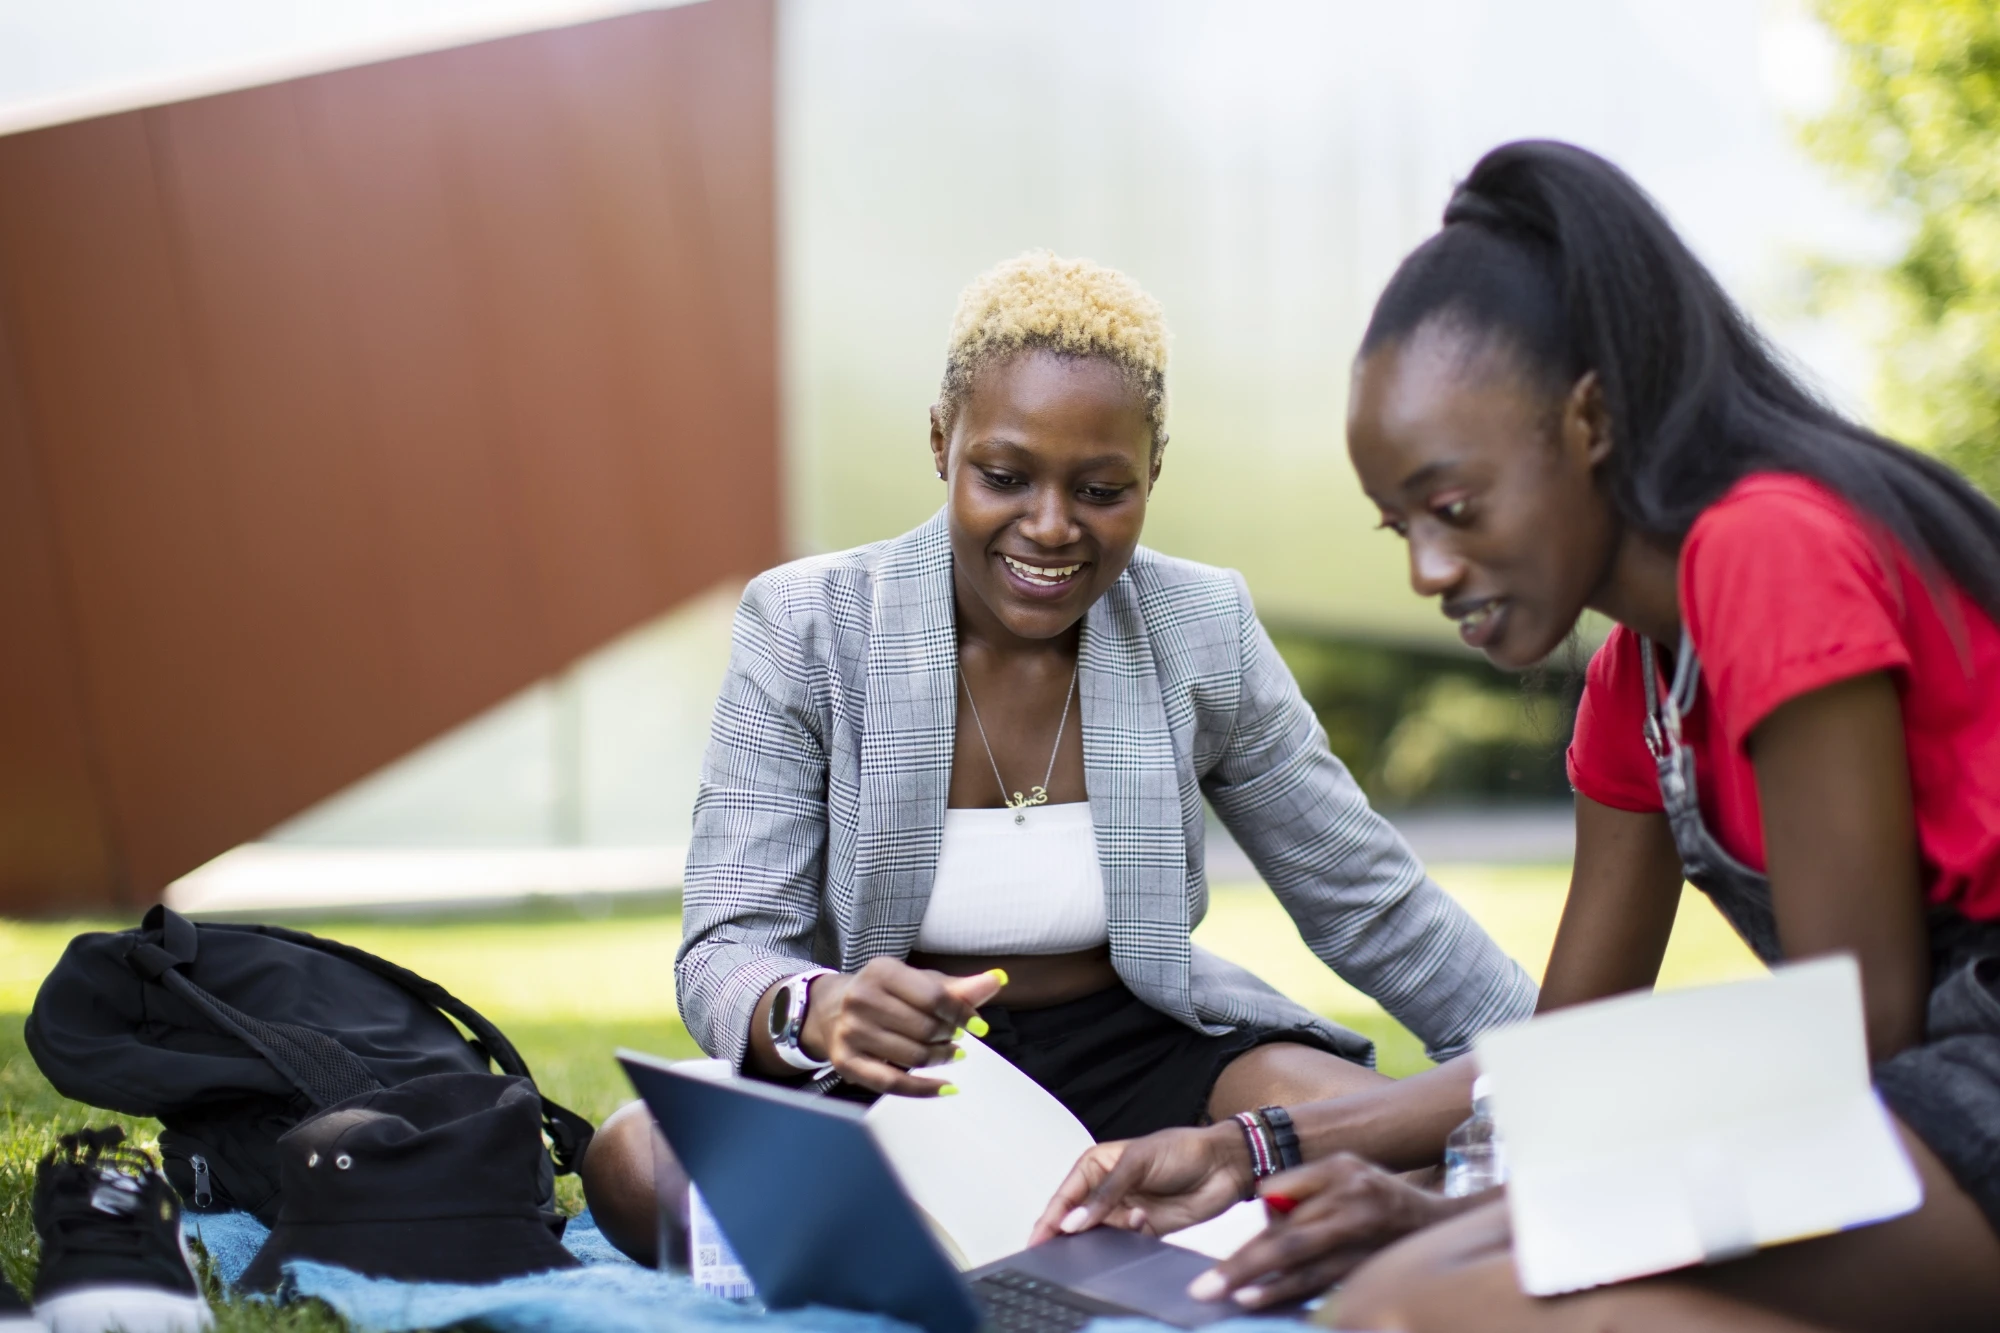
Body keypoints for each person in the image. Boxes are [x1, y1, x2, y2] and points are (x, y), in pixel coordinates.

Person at [1036, 141, 2000, 1332]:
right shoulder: (1636, 684)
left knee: (1441, 1304)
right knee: (1398, 1293)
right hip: (1899, 1100)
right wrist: (1251, 1148)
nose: (1428, 569)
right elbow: (1567, 1062)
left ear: (1586, 419)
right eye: (1398, 527)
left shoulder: (1766, 551)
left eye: (1454, 505)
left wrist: (1467, 1222)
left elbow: (1851, 1037)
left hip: (1944, 1087)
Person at [578, 251, 1536, 1261]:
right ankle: (1074, 1247)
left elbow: (1365, 898)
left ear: (1150, 473)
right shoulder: (810, 625)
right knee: (636, 1162)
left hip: (1150, 1055)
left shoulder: (1199, 627)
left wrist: (1552, 1058)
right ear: (942, 443)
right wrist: (818, 1011)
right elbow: (726, 944)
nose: (1048, 527)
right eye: (1003, 476)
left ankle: (982, 1250)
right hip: (889, 1069)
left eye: (1099, 489)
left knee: (1411, 1151)